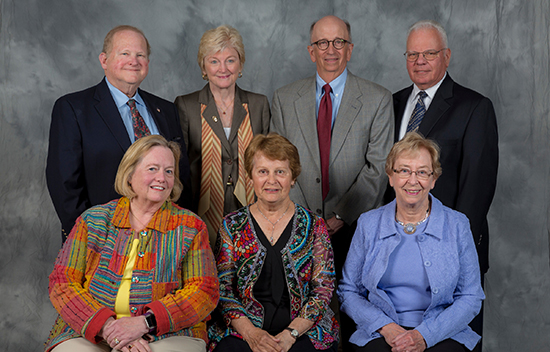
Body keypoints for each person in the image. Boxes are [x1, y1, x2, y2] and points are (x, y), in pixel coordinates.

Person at [270, 15, 393, 348]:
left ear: (350, 49)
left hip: (356, 228)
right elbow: (280, 164)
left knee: (356, 314)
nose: (331, 50)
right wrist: (308, 221)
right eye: (322, 43)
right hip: (297, 227)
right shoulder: (283, 98)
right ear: (311, 52)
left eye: (339, 42)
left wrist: (339, 215)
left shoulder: (378, 98)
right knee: (298, 312)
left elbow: (378, 167)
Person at [44, 135, 219, 352]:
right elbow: (62, 282)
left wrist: (145, 323)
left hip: (169, 332)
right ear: (129, 174)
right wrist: (108, 327)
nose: (162, 178)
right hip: (91, 329)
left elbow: (204, 291)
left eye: (169, 171)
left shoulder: (191, 226)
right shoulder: (93, 220)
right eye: (152, 169)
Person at [392, 20, 498, 348]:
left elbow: (477, 188)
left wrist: (450, 251)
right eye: (413, 54)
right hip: (397, 252)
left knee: (450, 343)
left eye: (429, 53)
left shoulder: (474, 107)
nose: (420, 60)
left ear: (447, 56)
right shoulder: (393, 103)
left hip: (451, 251)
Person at [338, 132, 485, 352]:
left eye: (422, 172)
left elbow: (471, 296)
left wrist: (424, 335)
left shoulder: (457, 225)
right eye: (404, 170)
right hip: (381, 331)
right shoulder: (368, 224)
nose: (413, 180)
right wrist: (386, 327)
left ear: (433, 179)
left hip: (442, 331)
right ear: (390, 176)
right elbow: (349, 291)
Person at [46, 25, 191, 243]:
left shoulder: (167, 110)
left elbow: (181, 176)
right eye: (125, 53)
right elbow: (65, 185)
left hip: (163, 241)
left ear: (147, 64)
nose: (134, 61)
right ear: (104, 60)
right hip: (101, 241)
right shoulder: (73, 108)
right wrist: (90, 239)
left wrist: (178, 233)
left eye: (140, 55)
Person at [208, 133, 339, 352]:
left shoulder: (315, 225)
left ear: (293, 177)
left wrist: (291, 334)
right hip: (243, 330)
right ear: (251, 176)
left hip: (304, 330)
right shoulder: (231, 225)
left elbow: (323, 290)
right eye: (263, 172)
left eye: (280, 171)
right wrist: (251, 334)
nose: (271, 180)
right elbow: (223, 290)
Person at [174, 25, 270, 246]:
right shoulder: (186, 105)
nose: (223, 68)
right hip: (201, 209)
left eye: (230, 60)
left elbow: (268, 160)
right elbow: (179, 165)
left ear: (240, 64)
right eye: (214, 61)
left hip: (252, 207)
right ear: (204, 67)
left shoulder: (258, 104)